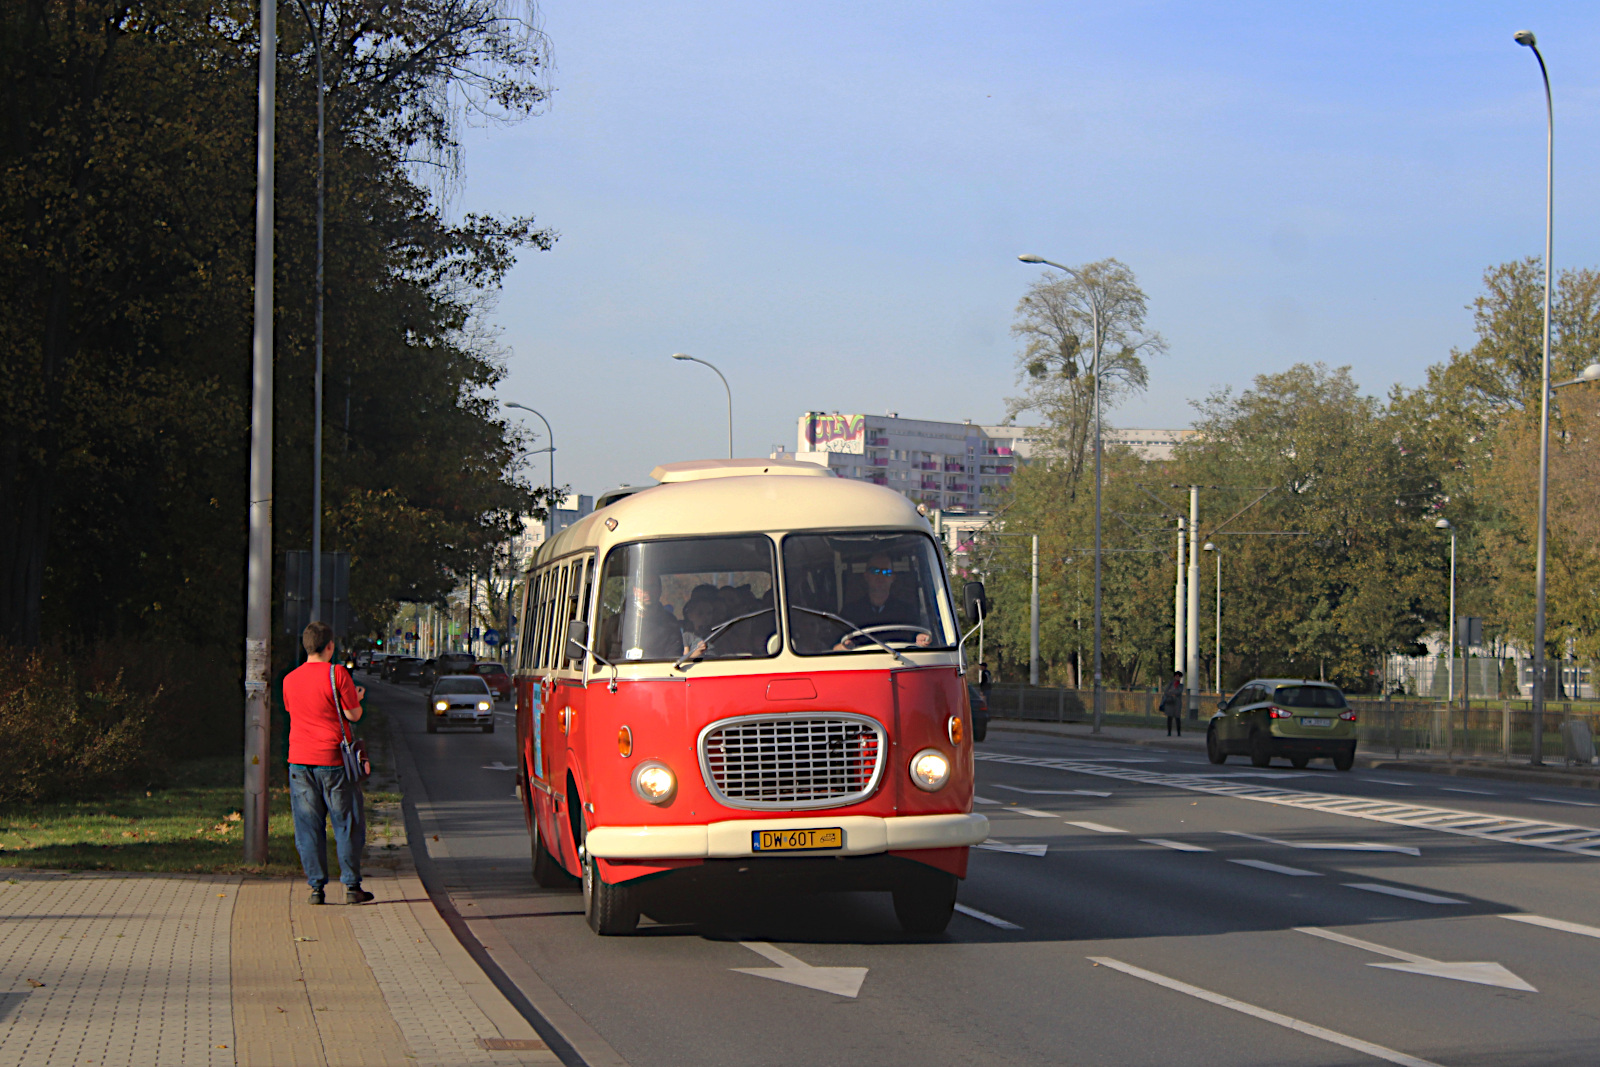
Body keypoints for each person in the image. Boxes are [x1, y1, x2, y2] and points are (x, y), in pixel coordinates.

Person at [283, 621, 374, 906]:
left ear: (306, 646)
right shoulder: (337, 674)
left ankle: (316, 889)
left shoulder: (290, 679)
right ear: (330, 647)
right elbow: (353, 715)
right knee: (345, 823)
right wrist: (357, 698)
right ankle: (351, 887)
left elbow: (294, 710)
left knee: (308, 826)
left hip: (299, 761)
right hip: (333, 761)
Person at [838, 553, 931, 649]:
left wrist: (921, 638)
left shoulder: (907, 611)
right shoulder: (849, 612)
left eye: (887, 572)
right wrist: (842, 647)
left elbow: (918, 636)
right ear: (866, 576)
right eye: (875, 571)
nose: (880, 576)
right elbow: (835, 646)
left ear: (893, 578)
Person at [1158, 671, 1185, 737]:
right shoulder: (1170, 684)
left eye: (1179, 677)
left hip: (1177, 703)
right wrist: (1172, 693)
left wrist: (1171, 692)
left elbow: (1178, 692)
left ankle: (1179, 733)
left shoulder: (1181, 685)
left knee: (1177, 718)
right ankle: (1169, 732)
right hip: (1169, 702)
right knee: (1169, 718)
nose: (1178, 678)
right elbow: (1166, 691)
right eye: (1176, 676)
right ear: (1174, 676)